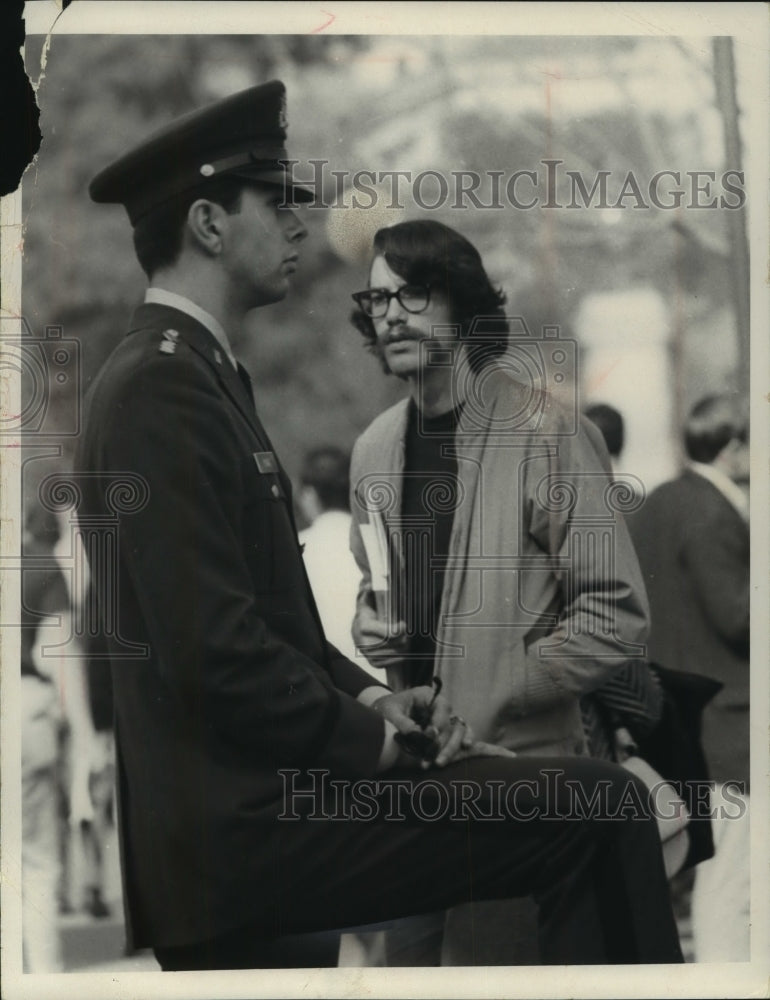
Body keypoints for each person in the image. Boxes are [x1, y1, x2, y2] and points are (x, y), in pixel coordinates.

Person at [75, 81, 683, 971]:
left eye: (413, 296)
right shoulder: (172, 386)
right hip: (251, 826)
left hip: (302, 792)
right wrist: (382, 730)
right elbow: (218, 653)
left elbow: (263, 633)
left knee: (594, 815)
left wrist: (377, 700)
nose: (301, 227)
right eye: (277, 203)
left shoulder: (199, 373)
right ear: (208, 224)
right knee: (603, 811)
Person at [347, 220, 657, 963]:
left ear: (462, 303)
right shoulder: (374, 449)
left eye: (413, 295)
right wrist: (372, 623)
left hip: (522, 781)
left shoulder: (547, 432)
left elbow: (615, 612)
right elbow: (377, 587)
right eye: (378, 299)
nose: (390, 315)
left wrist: (504, 685)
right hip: (417, 787)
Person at [627, 392, 750, 961]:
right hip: (731, 722)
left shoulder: (662, 499)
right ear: (734, 448)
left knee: (721, 873)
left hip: (685, 714)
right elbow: (738, 616)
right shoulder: (713, 511)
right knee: (735, 881)